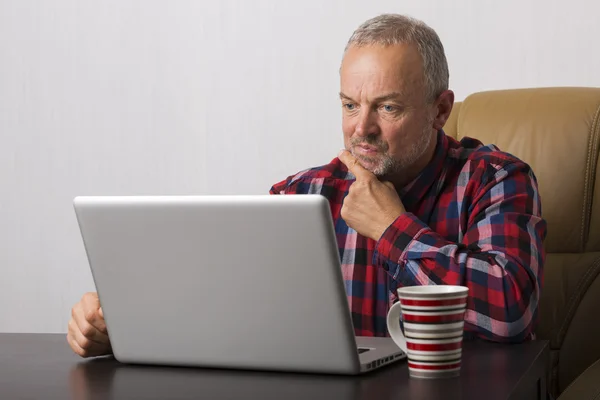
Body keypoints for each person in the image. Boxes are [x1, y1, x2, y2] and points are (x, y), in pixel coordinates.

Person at [67, 13, 547, 358]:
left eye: (388, 107)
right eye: (349, 105)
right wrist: (122, 328)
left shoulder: (496, 179)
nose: (362, 130)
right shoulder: (300, 196)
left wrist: (391, 229)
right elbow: (233, 313)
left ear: (440, 110)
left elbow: (511, 310)